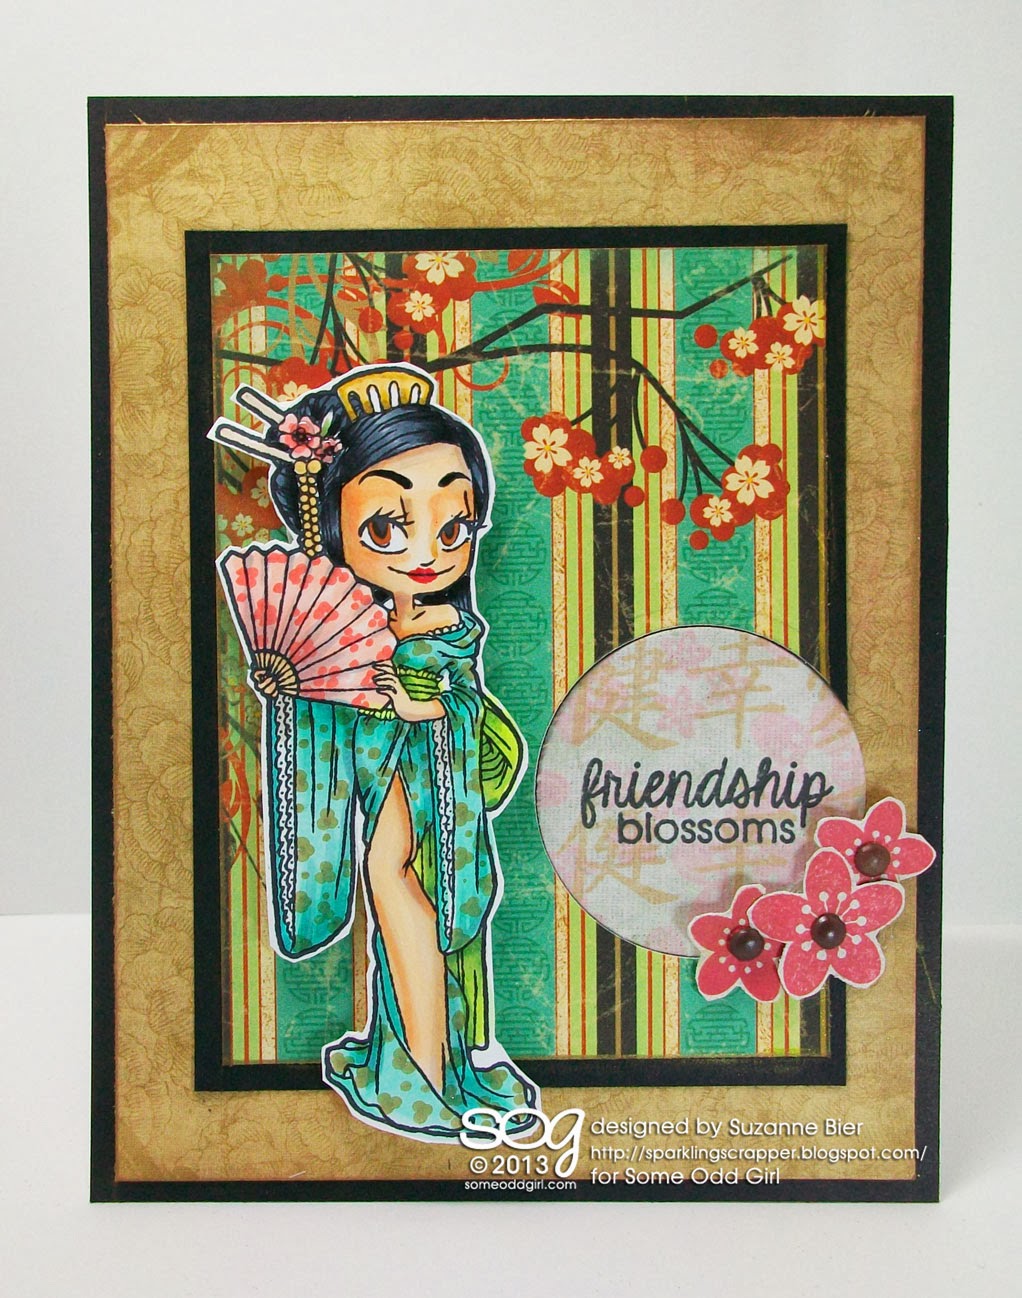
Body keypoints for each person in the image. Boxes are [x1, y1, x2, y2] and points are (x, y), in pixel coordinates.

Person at [236, 362, 537, 1141]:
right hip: (371, 773)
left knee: (404, 884)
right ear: (337, 529)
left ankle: (428, 1071)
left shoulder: (448, 625)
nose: (428, 552)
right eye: (386, 529)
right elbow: (322, 686)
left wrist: (421, 701)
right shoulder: (349, 618)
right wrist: (289, 690)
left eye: (454, 527)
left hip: (432, 784)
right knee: (391, 883)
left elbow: (464, 703)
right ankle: (406, 1062)